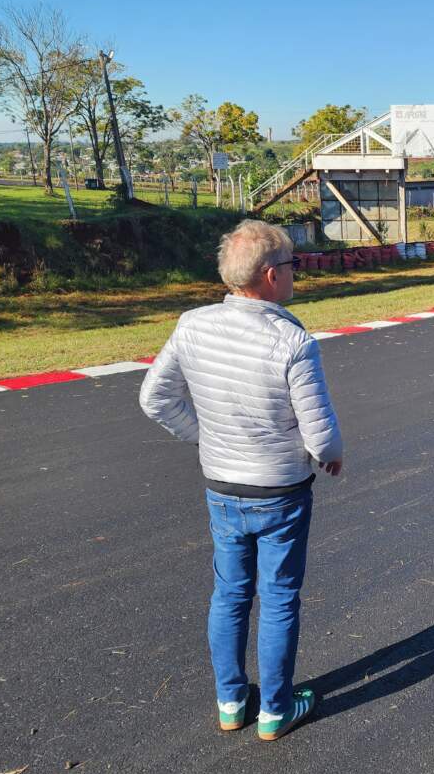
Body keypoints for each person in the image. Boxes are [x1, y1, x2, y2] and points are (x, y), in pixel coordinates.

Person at [139, 219, 343, 739]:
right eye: (293, 265)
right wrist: (330, 456)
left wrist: (202, 437)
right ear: (271, 276)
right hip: (280, 493)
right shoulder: (293, 341)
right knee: (277, 598)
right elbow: (319, 434)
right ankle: (275, 709)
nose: (296, 274)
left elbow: (154, 398)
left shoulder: (192, 325)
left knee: (229, 594)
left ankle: (231, 701)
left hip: (223, 487)